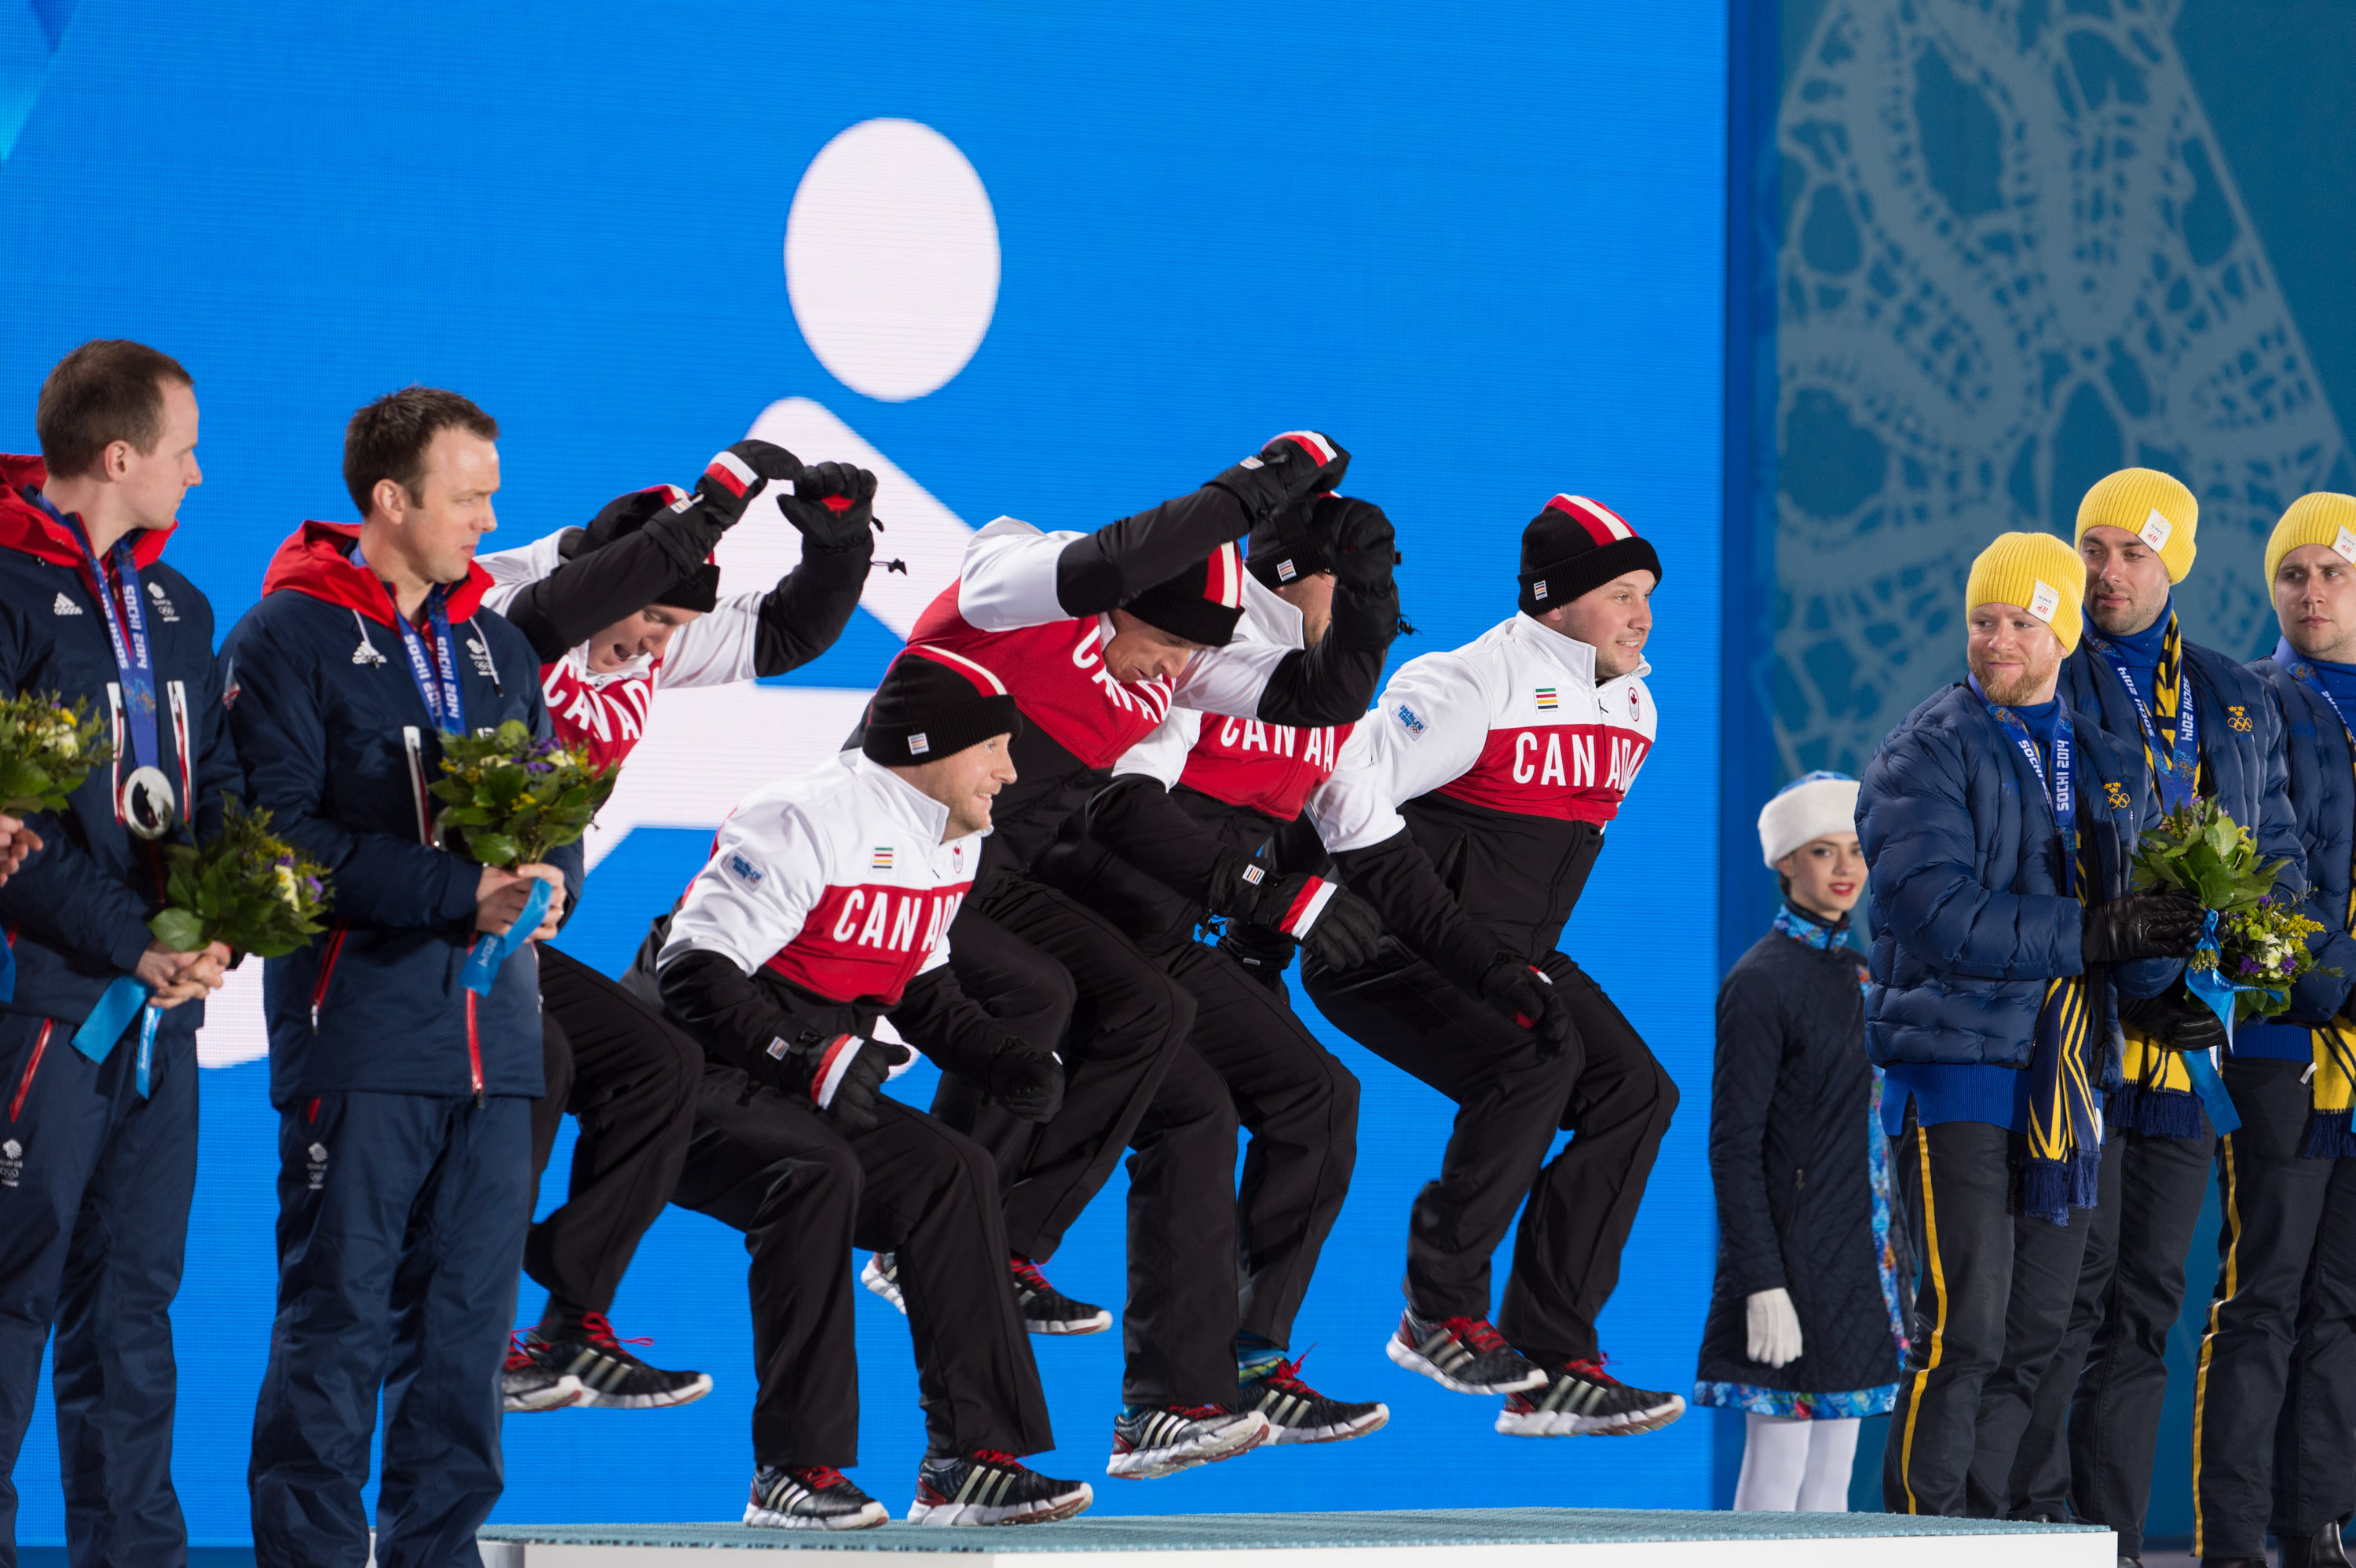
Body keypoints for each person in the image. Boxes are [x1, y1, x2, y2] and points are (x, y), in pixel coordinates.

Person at [887, 430, 1385, 1478]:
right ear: (1123, 608)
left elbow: (1319, 697)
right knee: (1044, 998)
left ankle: (1161, 1374)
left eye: (1189, 659)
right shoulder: (1016, 578)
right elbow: (1109, 565)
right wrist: (1252, 487)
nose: (1173, 675)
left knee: (1181, 1071)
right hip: (905, 871)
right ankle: (946, 1252)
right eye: (1163, 647)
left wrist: (1368, 579)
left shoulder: (1174, 666)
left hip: (1007, 882)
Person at [229, 387, 580, 1568]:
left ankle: (438, 1555)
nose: (490, 516)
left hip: (498, 1040)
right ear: (393, 499)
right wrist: (453, 894)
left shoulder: (497, 642)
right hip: (363, 1031)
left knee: (469, 1330)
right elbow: (276, 838)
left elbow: (552, 793)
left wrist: (553, 872)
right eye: (469, 495)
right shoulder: (288, 634)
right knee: (337, 1322)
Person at [628, 645, 1090, 1529]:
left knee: (952, 1171)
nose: (1010, 769)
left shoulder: (951, 836)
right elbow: (693, 973)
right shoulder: (806, 815)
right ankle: (793, 1472)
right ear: (926, 748)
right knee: (815, 1171)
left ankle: (968, 1463)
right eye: (993, 746)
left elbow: (919, 980)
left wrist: (1003, 1057)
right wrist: (807, 1056)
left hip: (797, 1068)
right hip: (678, 1076)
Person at [476, 440, 876, 1412]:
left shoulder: (654, 624)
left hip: (522, 923)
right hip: (445, 910)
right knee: (548, 1061)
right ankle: (473, 1316)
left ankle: (570, 1321)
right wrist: (713, 503)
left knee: (659, 1058)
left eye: (673, 625)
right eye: (649, 615)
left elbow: (783, 633)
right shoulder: (500, 603)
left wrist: (838, 553)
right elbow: (552, 613)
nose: (654, 643)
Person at [1301, 492, 1685, 1435]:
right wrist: (1300, 908)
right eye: (1621, 593)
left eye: (1648, 594)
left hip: (1510, 954)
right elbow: (1337, 787)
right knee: (1532, 1059)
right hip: (1389, 945)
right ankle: (1438, 1309)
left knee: (1636, 1091)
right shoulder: (1468, 683)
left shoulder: (1636, 706)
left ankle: (1552, 1361)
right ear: (1555, 603)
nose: (1642, 614)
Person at [1031, 492, 1399, 1443]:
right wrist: (1255, 894)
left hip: (1192, 927)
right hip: (1108, 913)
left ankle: (1237, 1361)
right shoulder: (1210, 645)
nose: (1366, 620)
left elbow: (1354, 831)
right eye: (1348, 587)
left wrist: (1482, 971)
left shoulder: (1337, 683)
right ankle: (1151, 1375)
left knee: (1307, 1097)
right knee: (1203, 1105)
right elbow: (1118, 804)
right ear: (1293, 579)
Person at [1857, 531, 2199, 1519]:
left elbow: (2125, 919)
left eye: (2020, 621)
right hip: (1956, 1071)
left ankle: (1988, 1527)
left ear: (2057, 633)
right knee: (1964, 1327)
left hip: (2063, 1080)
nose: (1997, 640)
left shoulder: (2101, 756)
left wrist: (2165, 957)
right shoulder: (1924, 751)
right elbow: (1939, 914)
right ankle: (1923, 1535)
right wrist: (2098, 930)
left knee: (2041, 1328)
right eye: (1983, 620)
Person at [2005, 470, 2303, 1555]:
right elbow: (2033, 859)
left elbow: (2269, 857)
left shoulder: (2233, 693)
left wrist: (2246, 966)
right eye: (2091, 548)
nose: (2107, 572)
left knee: (2141, 1308)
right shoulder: (2050, 679)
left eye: (2132, 551)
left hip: (2187, 1052)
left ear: (2173, 562)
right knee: (2061, 1304)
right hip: (2080, 1045)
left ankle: (2116, 1539)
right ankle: (2039, 1532)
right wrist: (2133, 973)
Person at [0, 340, 236, 1568]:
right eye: (184, 450)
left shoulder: (178, 607)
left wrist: (216, 919)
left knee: (134, 1309)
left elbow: (222, 791)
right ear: (119, 455)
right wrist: (131, 939)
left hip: (160, 1015)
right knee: (8, 1300)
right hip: (36, 1006)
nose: (199, 475)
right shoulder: (0, 588)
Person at [2194, 492, 2356, 1568]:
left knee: (2342, 1303)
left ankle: (2316, 1525)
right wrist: (2308, 989)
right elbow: (2223, 884)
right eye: (2292, 574)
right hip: (2281, 1050)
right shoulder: (2246, 704)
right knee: (2264, 1299)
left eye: (2332, 573)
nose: (2309, 592)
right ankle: (2234, 1539)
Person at [1696, 773, 1906, 1512]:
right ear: (1785, 861)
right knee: (1776, 1467)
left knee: (1831, 1486)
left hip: (1856, 1264)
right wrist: (1761, 1282)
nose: (1845, 868)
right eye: (1823, 851)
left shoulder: (1862, 973)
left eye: (1855, 849)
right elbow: (1733, 1147)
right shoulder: (1760, 982)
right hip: (1787, 1267)